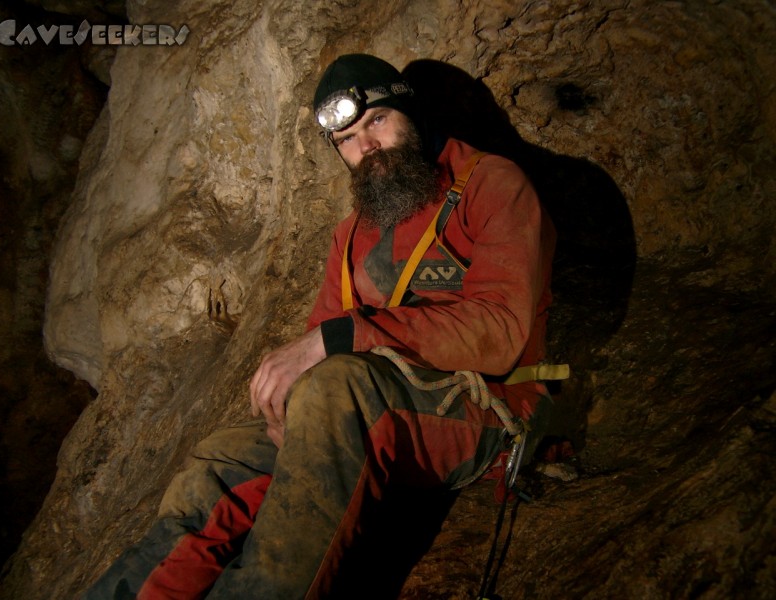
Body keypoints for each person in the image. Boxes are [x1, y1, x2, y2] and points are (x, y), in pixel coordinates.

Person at [85, 53, 557, 599]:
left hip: (485, 405)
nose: (367, 148)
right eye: (348, 140)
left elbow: (500, 332)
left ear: (409, 112)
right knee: (220, 459)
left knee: (334, 392)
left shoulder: (491, 185)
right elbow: (322, 345)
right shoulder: (352, 233)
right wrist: (291, 405)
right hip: (370, 405)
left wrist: (342, 343)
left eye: (376, 121)